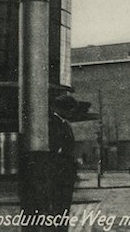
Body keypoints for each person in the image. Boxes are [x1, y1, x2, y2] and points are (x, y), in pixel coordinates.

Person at [49, 94, 78, 232]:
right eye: (70, 109)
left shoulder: (65, 124)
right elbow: (55, 147)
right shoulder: (52, 124)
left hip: (66, 174)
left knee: (64, 208)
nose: (71, 112)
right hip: (58, 173)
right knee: (58, 207)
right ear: (62, 109)